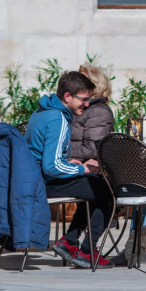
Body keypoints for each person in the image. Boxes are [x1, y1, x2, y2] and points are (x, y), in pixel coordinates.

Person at [27, 70, 115, 269]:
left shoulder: (42, 111)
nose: (86, 104)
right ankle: (86, 251)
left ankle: (70, 242)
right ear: (68, 96)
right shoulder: (58, 119)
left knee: (95, 188)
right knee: (108, 192)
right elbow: (51, 166)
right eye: (84, 99)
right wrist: (82, 169)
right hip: (44, 183)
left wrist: (70, 164)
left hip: (35, 179)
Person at [70, 65, 114, 161]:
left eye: (82, 81)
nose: (76, 84)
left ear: (96, 87)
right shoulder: (75, 107)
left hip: (84, 170)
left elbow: (92, 150)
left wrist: (57, 152)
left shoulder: (99, 112)